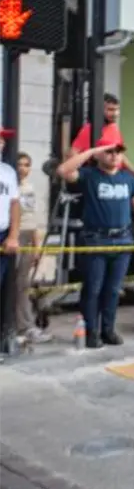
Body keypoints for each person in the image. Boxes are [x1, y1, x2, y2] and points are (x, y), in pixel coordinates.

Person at [56, 138, 134, 348]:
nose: (114, 156)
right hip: (95, 239)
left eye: (118, 152)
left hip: (123, 239)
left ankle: (108, 329)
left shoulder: (128, 179)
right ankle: (90, 331)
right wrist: (92, 150)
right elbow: (63, 170)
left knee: (113, 289)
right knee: (93, 288)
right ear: (98, 155)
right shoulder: (89, 175)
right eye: (109, 152)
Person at [13, 152, 50, 343]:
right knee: (14, 284)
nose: (23, 168)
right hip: (12, 237)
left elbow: (33, 219)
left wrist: (37, 247)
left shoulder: (30, 188)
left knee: (23, 285)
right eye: (19, 164)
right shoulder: (7, 186)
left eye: (27, 165)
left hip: (27, 237)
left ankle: (25, 326)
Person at [0, 128, 22, 344]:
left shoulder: (8, 172)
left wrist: (13, 235)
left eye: (2, 140)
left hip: (2, 235)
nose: (1, 143)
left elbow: (14, 204)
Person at [68, 94, 128, 169]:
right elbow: (72, 154)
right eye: (110, 110)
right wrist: (83, 173)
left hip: (116, 174)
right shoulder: (89, 129)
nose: (115, 114)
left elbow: (121, 156)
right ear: (100, 110)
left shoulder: (114, 128)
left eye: (117, 109)